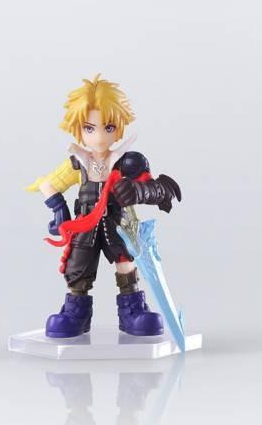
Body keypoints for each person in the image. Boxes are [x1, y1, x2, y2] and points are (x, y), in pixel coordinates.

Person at [26, 75, 181, 338]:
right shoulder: (77, 163)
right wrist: (60, 211)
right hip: (84, 227)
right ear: (78, 128)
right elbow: (47, 184)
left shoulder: (127, 162)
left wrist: (137, 191)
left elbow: (158, 190)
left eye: (108, 127)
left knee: (125, 264)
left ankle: (133, 312)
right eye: (90, 128)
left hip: (119, 224)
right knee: (78, 270)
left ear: (118, 127)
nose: (99, 136)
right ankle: (75, 313)